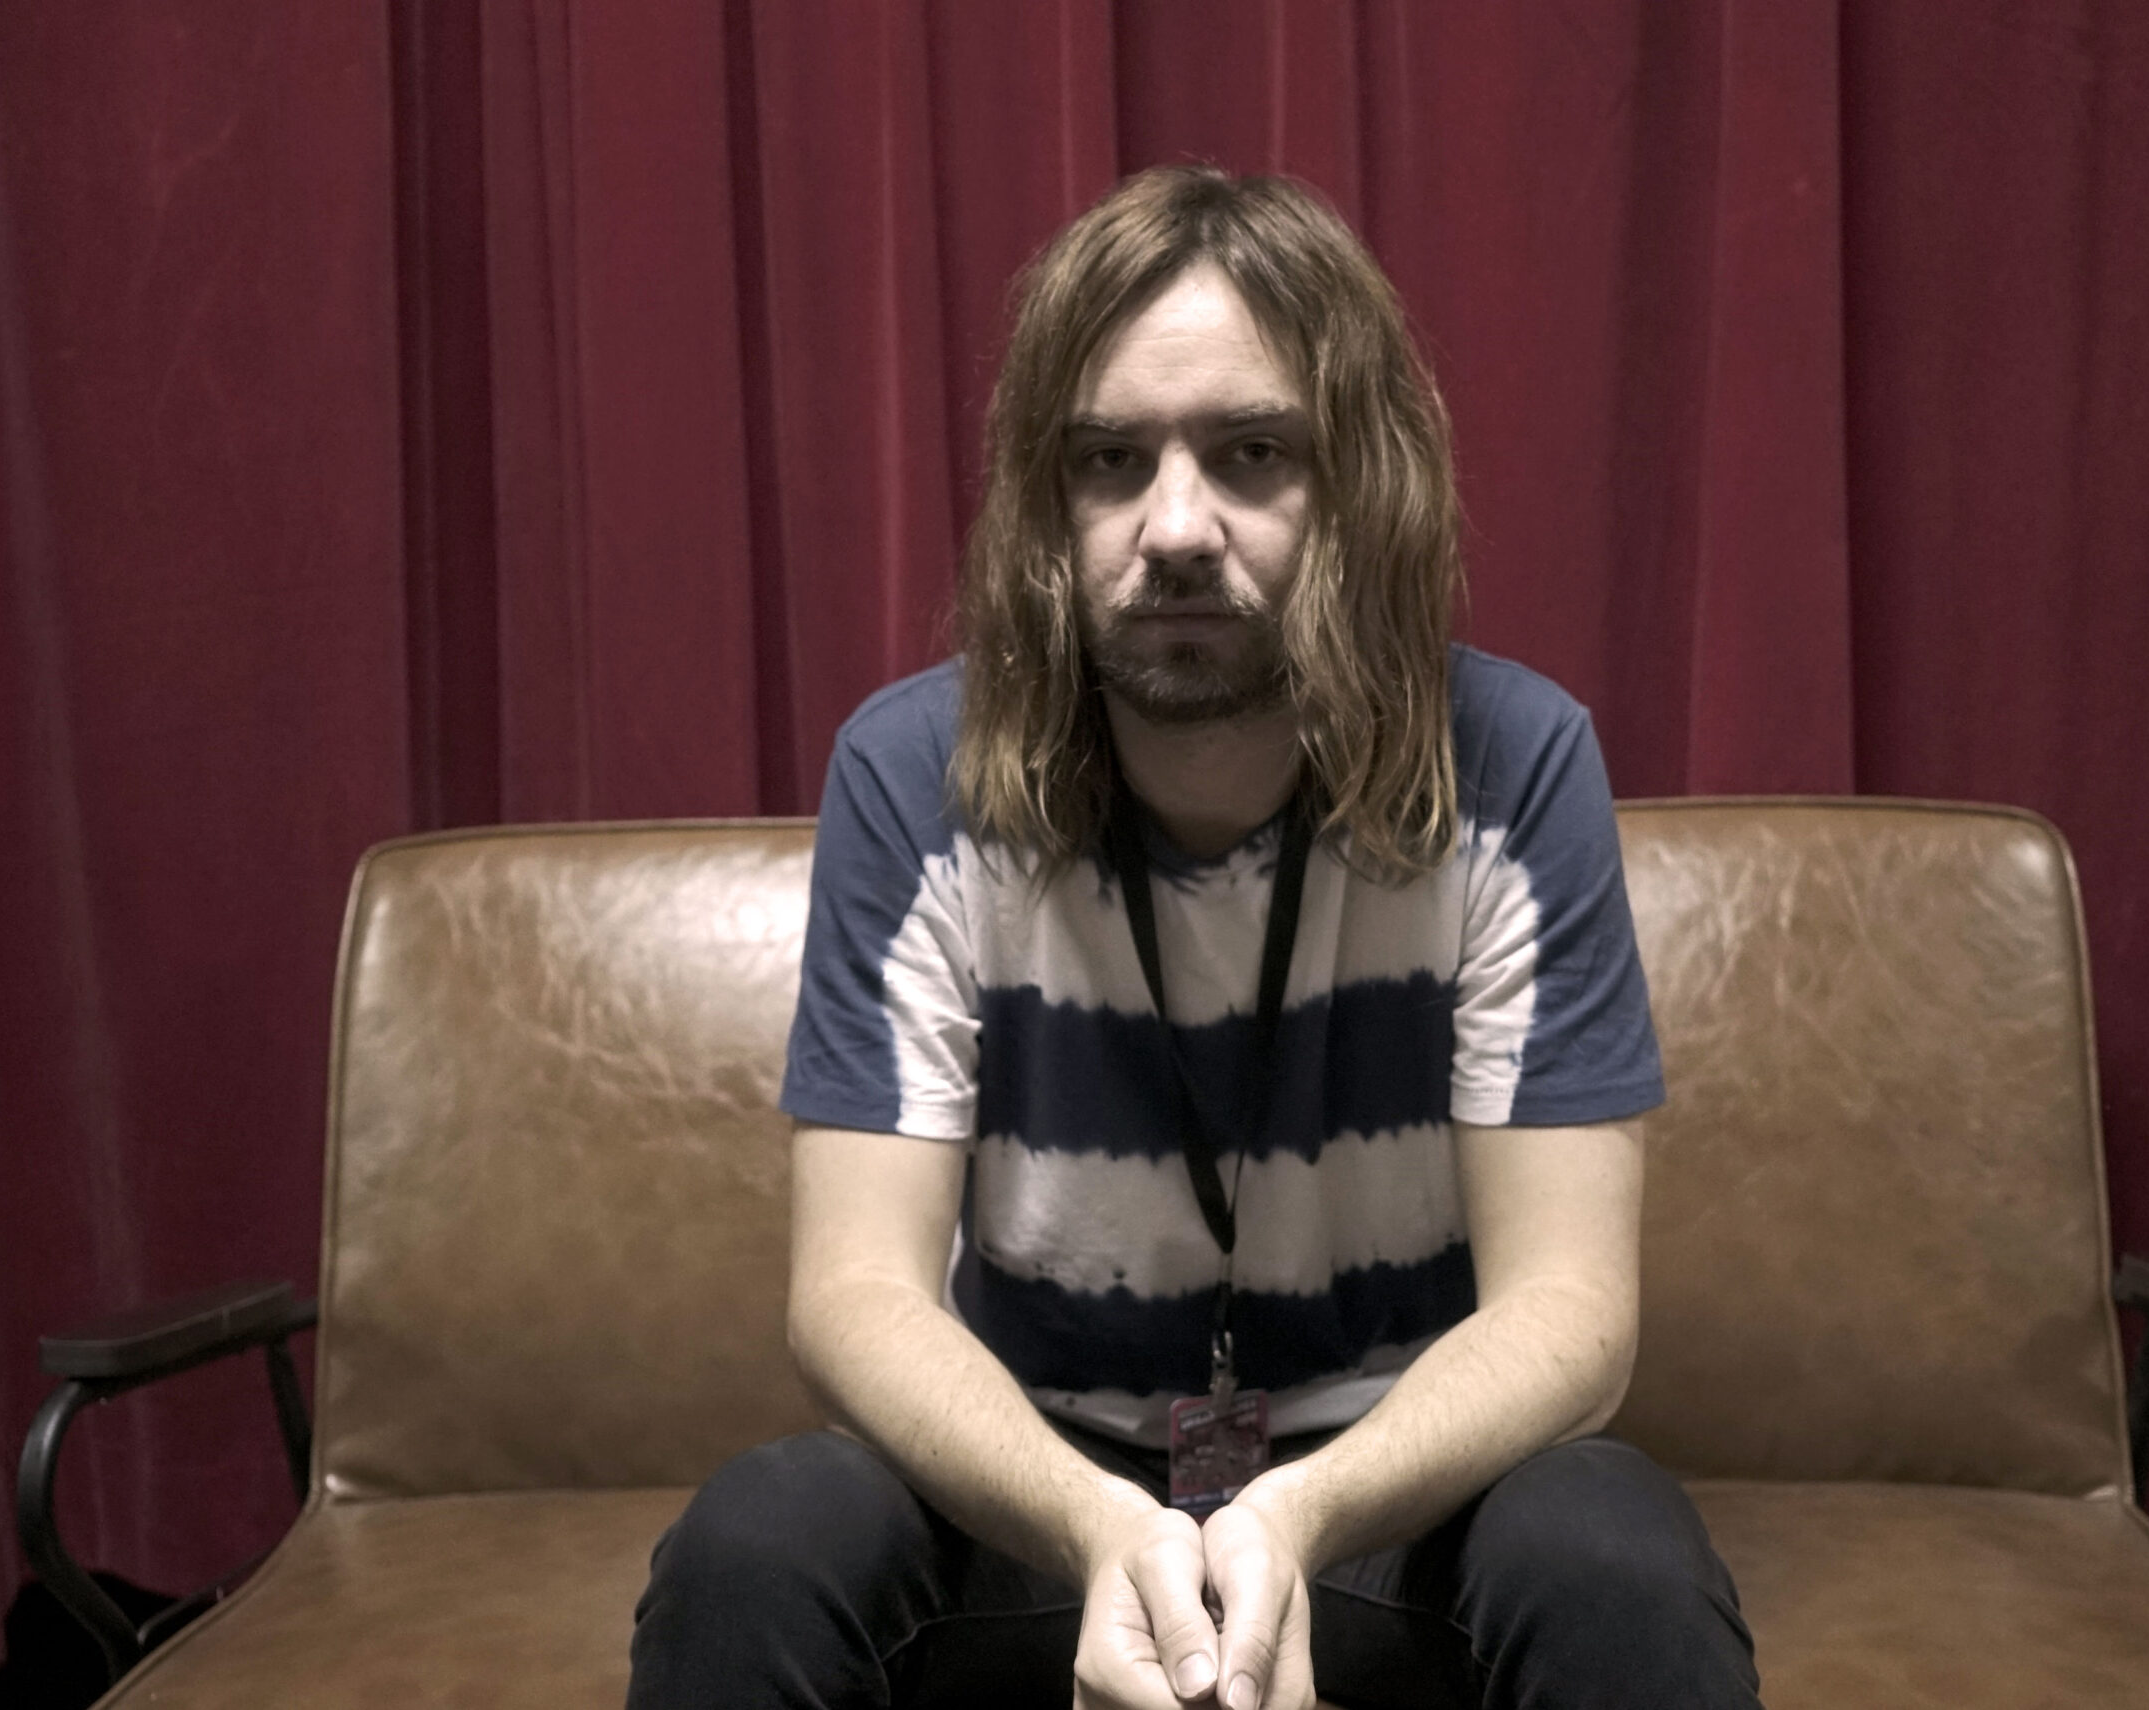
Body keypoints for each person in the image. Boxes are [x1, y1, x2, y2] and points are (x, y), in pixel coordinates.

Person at [629, 166, 1760, 1710]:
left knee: (1613, 1548)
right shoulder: (912, 775)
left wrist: (1297, 1512)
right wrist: (1103, 1525)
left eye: (1251, 453)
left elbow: (1573, 1312)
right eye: (1112, 459)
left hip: (1382, 1493)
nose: (1173, 527)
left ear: (1357, 484)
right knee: (761, 1535)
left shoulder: (1515, 763)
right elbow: (853, 1294)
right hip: (1043, 1494)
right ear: (1050, 503)